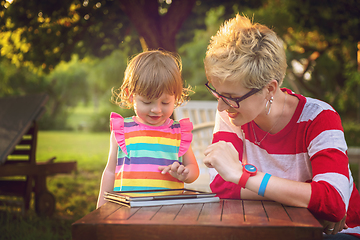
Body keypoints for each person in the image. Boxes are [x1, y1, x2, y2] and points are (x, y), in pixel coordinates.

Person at [202, 14, 360, 239]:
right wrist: (308, 200)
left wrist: (242, 176)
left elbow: (334, 201)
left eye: (230, 96)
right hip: (277, 225)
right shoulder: (233, 113)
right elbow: (221, 183)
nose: (220, 107)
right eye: (217, 93)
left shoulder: (319, 118)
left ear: (269, 89)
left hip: (340, 233)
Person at [97, 50, 199, 208]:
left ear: (176, 98)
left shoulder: (179, 133)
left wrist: (185, 174)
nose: (156, 110)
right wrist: (101, 208)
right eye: (147, 102)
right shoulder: (122, 130)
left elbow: (193, 169)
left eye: (165, 103)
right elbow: (110, 172)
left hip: (169, 212)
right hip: (127, 211)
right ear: (131, 95)